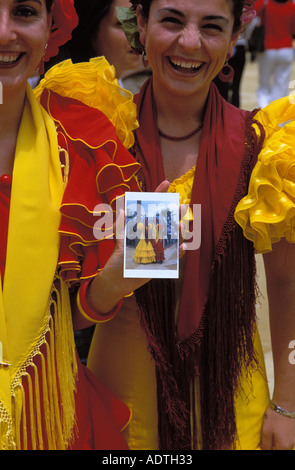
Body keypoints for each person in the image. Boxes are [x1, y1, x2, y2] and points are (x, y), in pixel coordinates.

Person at [75, 0, 295, 451]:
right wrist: (110, 285)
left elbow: (288, 283)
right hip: (119, 397)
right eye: (172, 20)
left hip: (233, 395)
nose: (189, 42)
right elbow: (57, 310)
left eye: (212, 27)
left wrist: (287, 404)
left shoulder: (263, 148)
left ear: (235, 37)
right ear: (141, 23)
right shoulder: (98, 139)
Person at [0, 0, 142, 450]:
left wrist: (115, 282)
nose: (4, 33)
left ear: (51, 30)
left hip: (48, 418)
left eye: (23, 12)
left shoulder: (86, 137)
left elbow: (68, 319)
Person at [46, 0, 141, 83]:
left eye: (137, 22)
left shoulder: (121, 90)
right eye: (122, 24)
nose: (138, 35)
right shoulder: (69, 93)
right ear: (91, 28)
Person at [255, 0, 295, 107]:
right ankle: (278, 119)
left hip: (268, 48)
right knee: (281, 88)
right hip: (286, 49)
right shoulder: (292, 5)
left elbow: (252, 15)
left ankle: (263, 115)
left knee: (264, 86)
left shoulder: (264, 3)